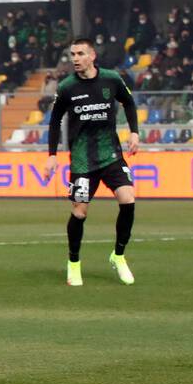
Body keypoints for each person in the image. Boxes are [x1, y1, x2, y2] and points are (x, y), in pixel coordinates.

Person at [43, 37, 140, 288]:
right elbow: (54, 122)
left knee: (128, 199)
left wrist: (134, 132)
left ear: (92, 55)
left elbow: (128, 102)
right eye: (72, 54)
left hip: (111, 155)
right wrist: (52, 156)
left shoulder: (111, 79)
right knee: (79, 212)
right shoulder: (66, 87)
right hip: (83, 161)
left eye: (80, 53)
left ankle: (118, 256)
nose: (75, 58)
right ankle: (73, 263)